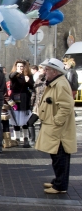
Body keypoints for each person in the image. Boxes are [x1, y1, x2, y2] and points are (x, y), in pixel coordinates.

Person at [35, 59, 77, 194]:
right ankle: (58, 181)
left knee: (60, 158)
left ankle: (60, 185)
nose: (45, 72)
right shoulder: (56, 82)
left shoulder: (60, 84)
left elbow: (66, 106)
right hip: (55, 127)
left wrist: (56, 121)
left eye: (47, 70)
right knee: (57, 157)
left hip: (59, 130)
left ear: (55, 71)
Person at [9, 60, 34, 148]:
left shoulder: (28, 75)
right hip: (15, 98)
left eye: (21, 66)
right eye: (18, 66)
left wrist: (28, 81)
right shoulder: (14, 75)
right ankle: (17, 138)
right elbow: (11, 76)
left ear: (25, 67)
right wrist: (16, 72)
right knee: (15, 118)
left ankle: (26, 138)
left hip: (24, 98)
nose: (20, 68)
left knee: (24, 118)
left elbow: (32, 86)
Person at [29, 65, 47, 145]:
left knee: (43, 123)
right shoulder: (38, 79)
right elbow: (34, 92)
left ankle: (42, 140)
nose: (40, 70)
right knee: (30, 122)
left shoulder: (48, 80)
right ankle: (32, 140)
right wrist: (31, 103)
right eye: (39, 69)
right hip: (37, 105)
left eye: (41, 69)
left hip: (46, 105)